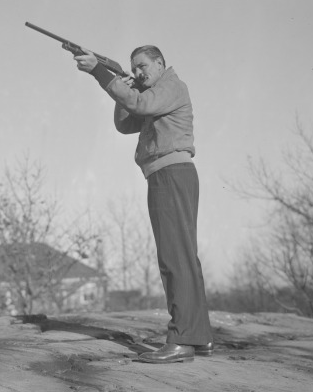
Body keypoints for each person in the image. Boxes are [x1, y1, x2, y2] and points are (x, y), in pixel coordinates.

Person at [74, 46, 213, 364]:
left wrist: (101, 72)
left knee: (173, 258)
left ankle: (181, 341)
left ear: (161, 64)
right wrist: (127, 83)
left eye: (143, 67)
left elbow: (139, 104)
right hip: (169, 174)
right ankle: (199, 337)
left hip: (170, 174)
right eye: (134, 68)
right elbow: (125, 123)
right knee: (183, 257)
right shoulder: (153, 91)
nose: (138, 72)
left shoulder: (170, 86)